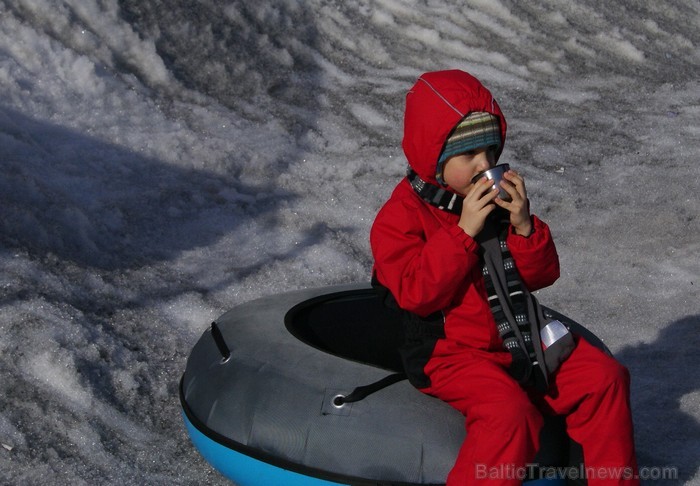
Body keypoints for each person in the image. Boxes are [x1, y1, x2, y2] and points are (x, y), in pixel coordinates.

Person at [370, 70, 639, 485]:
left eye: (490, 152)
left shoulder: (493, 202)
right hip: (450, 352)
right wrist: (463, 233)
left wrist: (524, 227)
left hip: (517, 334)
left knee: (605, 378)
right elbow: (415, 293)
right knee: (511, 416)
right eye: (469, 155)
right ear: (435, 156)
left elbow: (542, 276)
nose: (485, 166)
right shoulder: (400, 217)